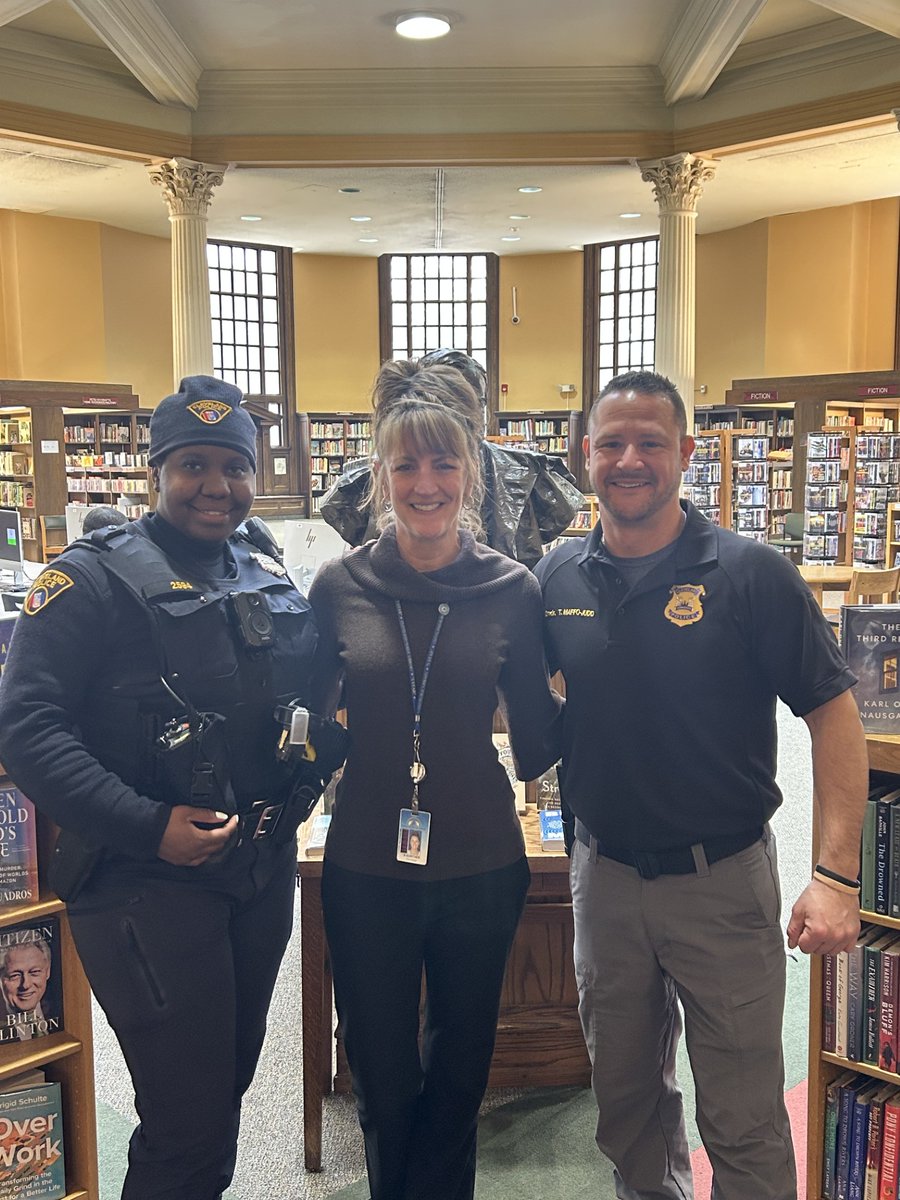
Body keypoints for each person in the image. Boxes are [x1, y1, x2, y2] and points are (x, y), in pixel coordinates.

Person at [0, 375, 341, 1200]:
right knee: (186, 1121)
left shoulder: (260, 565)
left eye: (232, 467)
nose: (215, 487)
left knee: (217, 1096)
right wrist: (147, 824)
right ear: (156, 470)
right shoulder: (84, 583)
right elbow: (26, 729)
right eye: (192, 465)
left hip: (255, 877)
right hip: (144, 885)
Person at [534, 369, 867, 1200]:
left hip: (722, 882)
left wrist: (834, 876)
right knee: (626, 1109)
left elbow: (834, 714)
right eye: (612, 443)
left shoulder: (750, 574)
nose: (630, 458)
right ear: (585, 457)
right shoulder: (555, 578)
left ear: (687, 454)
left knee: (745, 1116)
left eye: (651, 441)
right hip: (602, 882)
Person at [308, 358, 563, 1200]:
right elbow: (305, 732)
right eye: (407, 464)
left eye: (444, 462)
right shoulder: (336, 588)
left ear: (472, 473)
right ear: (379, 475)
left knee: (458, 1084)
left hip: (483, 869)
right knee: (382, 1085)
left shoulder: (511, 588)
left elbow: (537, 744)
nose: (426, 483)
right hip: (364, 873)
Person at [319, 348, 584, 568]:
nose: (453, 419)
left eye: (469, 403)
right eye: (443, 401)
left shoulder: (531, 472)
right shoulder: (359, 485)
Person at [0, 937, 55, 1041]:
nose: (26, 985)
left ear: (47, 971)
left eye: (34, 972)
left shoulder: (63, 1016)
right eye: (15, 975)